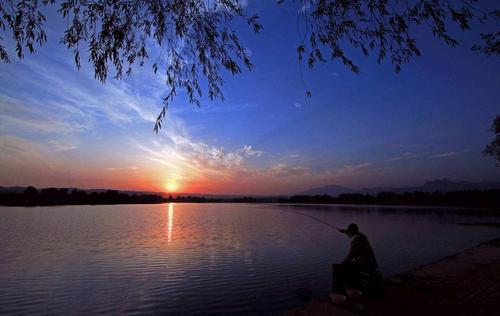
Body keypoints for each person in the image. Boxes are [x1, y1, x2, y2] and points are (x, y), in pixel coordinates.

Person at [332, 223, 379, 294]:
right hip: (371, 263)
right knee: (350, 265)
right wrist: (345, 232)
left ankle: (339, 291)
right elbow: (353, 234)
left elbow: (351, 255)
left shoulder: (356, 240)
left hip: (366, 265)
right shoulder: (362, 237)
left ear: (352, 231)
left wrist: (343, 263)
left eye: (349, 231)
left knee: (340, 268)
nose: (348, 233)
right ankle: (351, 286)